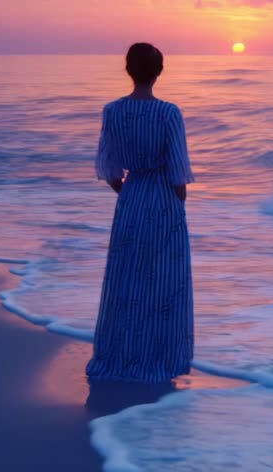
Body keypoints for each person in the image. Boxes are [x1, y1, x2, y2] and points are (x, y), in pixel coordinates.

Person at [86, 42, 195, 383]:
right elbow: (179, 174)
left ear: (128, 70)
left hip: (131, 199)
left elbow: (109, 169)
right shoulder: (168, 113)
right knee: (163, 284)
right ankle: (158, 358)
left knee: (127, 281)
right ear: (159, 71)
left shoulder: (112, 111)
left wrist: (132, 192)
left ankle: (121, 354)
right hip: (163, 201)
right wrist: (177, 201)